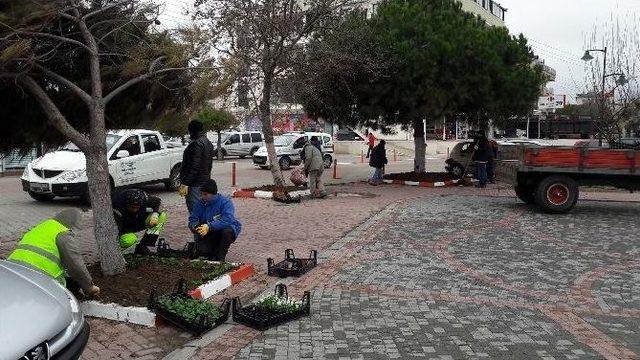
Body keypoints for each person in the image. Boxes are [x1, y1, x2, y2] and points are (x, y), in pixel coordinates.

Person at [7, 209, 100, 297]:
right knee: (74, 284)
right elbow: (75, 264)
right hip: (38, 280)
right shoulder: (62, 233)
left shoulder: (41, 227)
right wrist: (89, 287)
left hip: (12, 273)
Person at [188, 180, 242, 261]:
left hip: (225, 230)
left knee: (227, 232)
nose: (202, 197)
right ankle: (210, 250)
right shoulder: (199, 204)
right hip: (210, 231)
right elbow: (193, 219)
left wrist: (209, 226)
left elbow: (228, 219)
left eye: (205, 194)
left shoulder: (225, 202)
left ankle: (220, 257)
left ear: (213, 194)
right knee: (203, 252)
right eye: (201, 194)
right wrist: (195, 226)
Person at [112, 188, 167, 254]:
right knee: (129, 240)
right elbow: (115, 232)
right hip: (123, 227)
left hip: (137, 221)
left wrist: (155, 214)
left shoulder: (144, 198)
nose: (135, 210)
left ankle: (143, 247)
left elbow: (159, 203)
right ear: (126, 204)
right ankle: (114, 253)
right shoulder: (116, 205)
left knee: (162, 216)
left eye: (138, 207)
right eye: (132, 207)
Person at [179, 119, 215, 213]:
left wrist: (185, 183)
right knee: (203, 209)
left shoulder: (196, 144)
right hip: (204, 180)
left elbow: (194, 166)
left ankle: (198, 227)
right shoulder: (208, 142)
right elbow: (209, 164)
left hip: (195, 183)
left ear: (192, 130)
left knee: (195, 211)